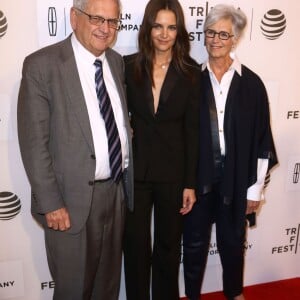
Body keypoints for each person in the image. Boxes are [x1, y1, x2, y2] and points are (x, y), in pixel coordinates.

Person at [17, 0, 133, 299]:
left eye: (112, 21)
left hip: (115, 195)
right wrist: (51, 202)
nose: (105, 29)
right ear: (74, 17)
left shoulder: (117, 62)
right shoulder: (42, 65)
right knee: (73, 290)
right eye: (97, 18)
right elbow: (34, 142)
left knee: (106, 288)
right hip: (70, 203)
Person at [183, 4, 278, 300]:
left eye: (223, 34)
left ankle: (234, 293)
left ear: (234, 38)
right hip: (198, 181)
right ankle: (193, 295)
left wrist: (255, 190)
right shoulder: (189, 80)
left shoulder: (252, 84)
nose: (215, 40)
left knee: (233, 242)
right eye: (210, 32)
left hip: (237, 181)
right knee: (194, 245)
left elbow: (263, 141)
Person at [122, 0, 201, 299]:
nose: (164, 34)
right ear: (148, 27)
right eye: (158, 26)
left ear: (179, 30)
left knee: (168, 247)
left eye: (171, 27)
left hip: (173, 174)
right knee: (135, 246)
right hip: (136, 173)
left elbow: (193, 132)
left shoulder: (191, 72)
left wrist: (190, 183)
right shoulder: (127, 66)